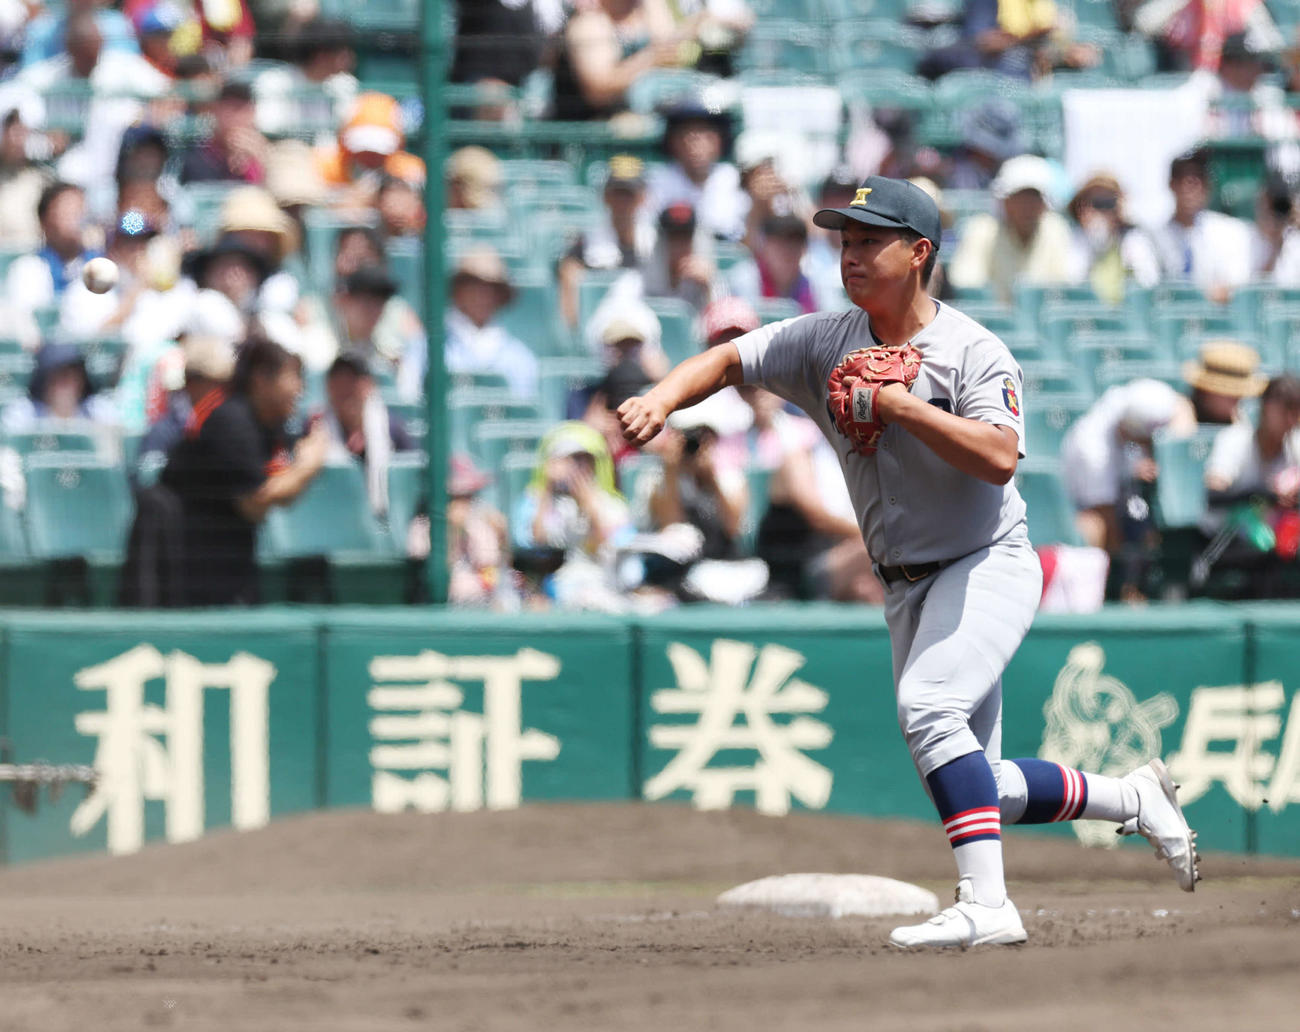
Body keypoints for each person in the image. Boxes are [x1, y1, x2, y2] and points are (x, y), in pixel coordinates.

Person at [616, 174, 1199, 949]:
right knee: (977, 783)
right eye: (845, 241)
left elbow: (1000, 457)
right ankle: (1131, 798)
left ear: (919, 252)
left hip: (985, 561)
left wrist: (901, 406)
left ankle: (988, 905)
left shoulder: (973, 351)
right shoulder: (825, 341)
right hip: (903, 585)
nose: (850, 255)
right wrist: (661, 399)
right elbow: (729, 360)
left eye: (870, 240)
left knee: (929, 712)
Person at [161, 334, 328, 606]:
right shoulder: (231, 420)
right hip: (188, 561)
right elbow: (255, 503)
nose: (300, 389)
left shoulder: (272, 425)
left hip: (227, 556)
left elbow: (275, 496)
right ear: (261, 379)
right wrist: (308, 465)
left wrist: (295, 475)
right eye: (292, 377)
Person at [1060, 378, 1197, 596]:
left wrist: (1161, 459)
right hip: (1086, 509)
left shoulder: (1131, 400)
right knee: (1098, 527)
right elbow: (1106, 517)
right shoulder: (1094, 453)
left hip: (1123, 494)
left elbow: (1182, 406)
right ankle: (1119, 589)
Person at [400, 247, 535, 402]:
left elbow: (522, 407)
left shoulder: (520, 357)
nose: (482, 296)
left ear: (500, 296)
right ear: (457, 290)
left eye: (491, 289)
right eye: (473, 286)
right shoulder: (424, 347)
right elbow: (410, 399)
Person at [948, 153, 1073, 302]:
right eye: (1020, 197)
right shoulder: (981, 230)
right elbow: (966, 283)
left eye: (1034, 197)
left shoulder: (1056, 229)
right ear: (1005, 201)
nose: (1027, 206)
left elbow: (1065, 286)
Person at [1149, 148, 1252, 304]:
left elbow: (1237, 284)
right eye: (1183, 177)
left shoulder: (1230, 232)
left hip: (1217, 316)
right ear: (1172, 184)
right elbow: (1150, 287)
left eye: (1199, 177)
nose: (1191, 185)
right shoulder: (1153, 237)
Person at [319, 351, 415, 517]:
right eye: (338, 381)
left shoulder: (392, 428)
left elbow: (412, 483)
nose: (345, 390)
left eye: (352, 381)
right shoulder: (314, 429)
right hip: (330, 517)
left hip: (385, 519)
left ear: (369, 385)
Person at [645, 99, 747, 241]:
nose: (695, 143)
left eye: (704, 134)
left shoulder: (733, 179)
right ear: (673, 141)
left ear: (720, 141)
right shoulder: (657, 181)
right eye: (688, 134)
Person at [5, 181, 97, 326]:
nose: (75, 219)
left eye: (79, 210)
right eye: (66, 211)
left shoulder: (99, 263)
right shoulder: (29, 268)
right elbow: (27, 326)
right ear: (44, 220)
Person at [1064, 172, 1161, 304]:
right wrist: (1092, 235)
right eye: (1093, 202)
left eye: (1107, 203)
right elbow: (1072, 281)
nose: (1100, 211)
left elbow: (1148, 283)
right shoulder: (1073, 239)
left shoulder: (1133, 240)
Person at [179, 80, 268, 186]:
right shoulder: (196, 156)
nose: (240, 118)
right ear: (216, 111)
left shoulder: (260, 155)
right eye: (234, 109)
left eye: (246, 110)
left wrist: (261, 161)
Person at [1183, 339, 1266, 425]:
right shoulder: (1177, 413)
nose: (1238, 397)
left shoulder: (1242, 424)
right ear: (1204, 391)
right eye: (1229, 392)